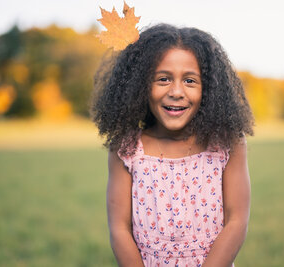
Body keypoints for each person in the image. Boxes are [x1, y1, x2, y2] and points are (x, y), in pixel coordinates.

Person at [91, 24, 254, 267]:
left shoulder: (227, 142)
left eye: (190, 80)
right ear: (140, 85)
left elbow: (237, 220)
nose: (176, 92)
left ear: (208, 89)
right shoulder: (127, 149)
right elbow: (119, 229)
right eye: (163, 79)